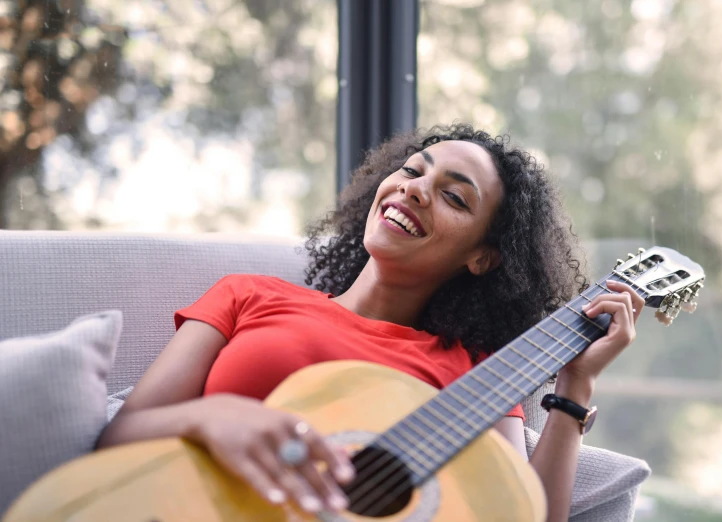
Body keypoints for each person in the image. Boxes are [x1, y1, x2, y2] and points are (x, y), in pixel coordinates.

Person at [97, 124, 644, 522]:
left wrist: (575, 384)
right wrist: (214, 418)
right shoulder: (247, 294)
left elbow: (521, 517)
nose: (414, 188)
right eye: (411, 170)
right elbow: (119, 439)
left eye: (453, 196)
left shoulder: (476, 370)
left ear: (483, 258)